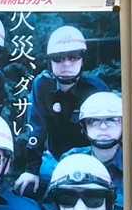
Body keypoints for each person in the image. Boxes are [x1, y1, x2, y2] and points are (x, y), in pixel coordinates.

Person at [13, 24, 107, 197]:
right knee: (27, 190)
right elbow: (36, 128)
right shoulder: (41, 85)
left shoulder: (96, 89)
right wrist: (31, 170)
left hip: (89, 161)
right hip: (53, 159)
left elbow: (107, 133)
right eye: (58, 58)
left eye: (73, 57)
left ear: (82, 59)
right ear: (50, 61)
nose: (66, 64)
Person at [68, 90, 125, 210]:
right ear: (84, 127)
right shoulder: (72, 159)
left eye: (112, 120)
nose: (103, 127)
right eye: (94, 121)